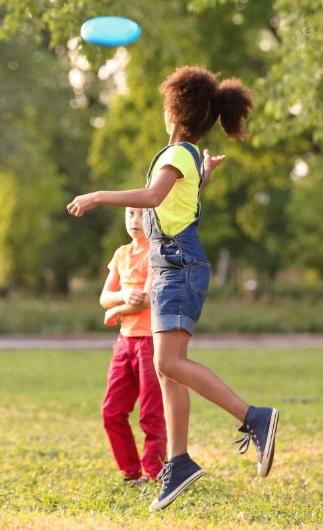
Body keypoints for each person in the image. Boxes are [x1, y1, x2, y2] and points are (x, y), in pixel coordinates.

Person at [67, 66, 279, 511]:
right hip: (173, 265)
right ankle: (178, 461)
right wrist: (208, 175)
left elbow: (153, 198)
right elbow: (182, 200)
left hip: (178, 267)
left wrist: (98, 195)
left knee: (168, 361)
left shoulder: (178, 154)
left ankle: (254, 417)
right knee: (166, 369)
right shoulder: (187, 156)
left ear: (175, 113)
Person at [100, 207, 166, 486]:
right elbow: (104, 296)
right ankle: (130, 472)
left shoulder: (156, 252)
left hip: (151, 342)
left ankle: (154, 473)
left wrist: (114, 312)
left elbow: (147, 300)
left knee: (151, 414)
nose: (135, 220)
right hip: (124, 343)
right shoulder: (121, 254)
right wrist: (121, 296)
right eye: (130, 214)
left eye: (142, 214)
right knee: (112, 411)